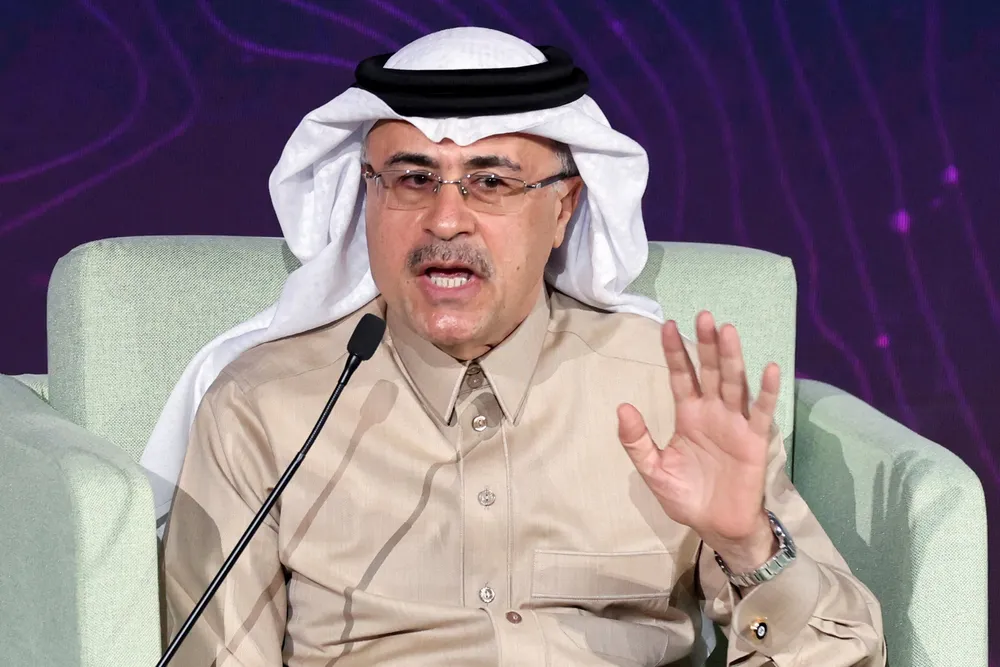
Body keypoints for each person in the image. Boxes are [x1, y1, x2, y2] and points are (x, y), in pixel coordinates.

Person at [153, 27, 886, 667]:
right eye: (412, 179)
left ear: (564, 207)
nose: (446, 219)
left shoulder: (667, 393)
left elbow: (845, 656)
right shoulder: (265, 405)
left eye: (491, 182)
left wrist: (750, 546)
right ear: (366, 197)